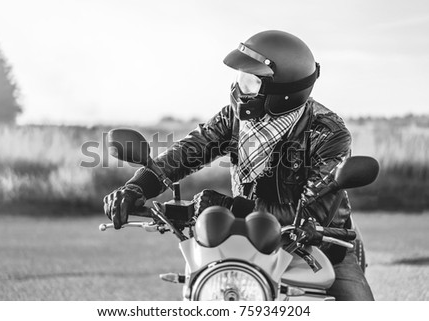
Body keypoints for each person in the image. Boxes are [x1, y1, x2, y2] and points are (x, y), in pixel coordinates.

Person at [103, 30, 374, 301]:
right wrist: (135, 188)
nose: (240, 88)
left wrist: (229, 206)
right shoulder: (235, 119)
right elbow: (185, 153)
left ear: (283, 92)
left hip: (318, 247)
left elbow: (309, 217)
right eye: (241, 78)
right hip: (246, 238)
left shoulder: (328, 133)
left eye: (251, 82)